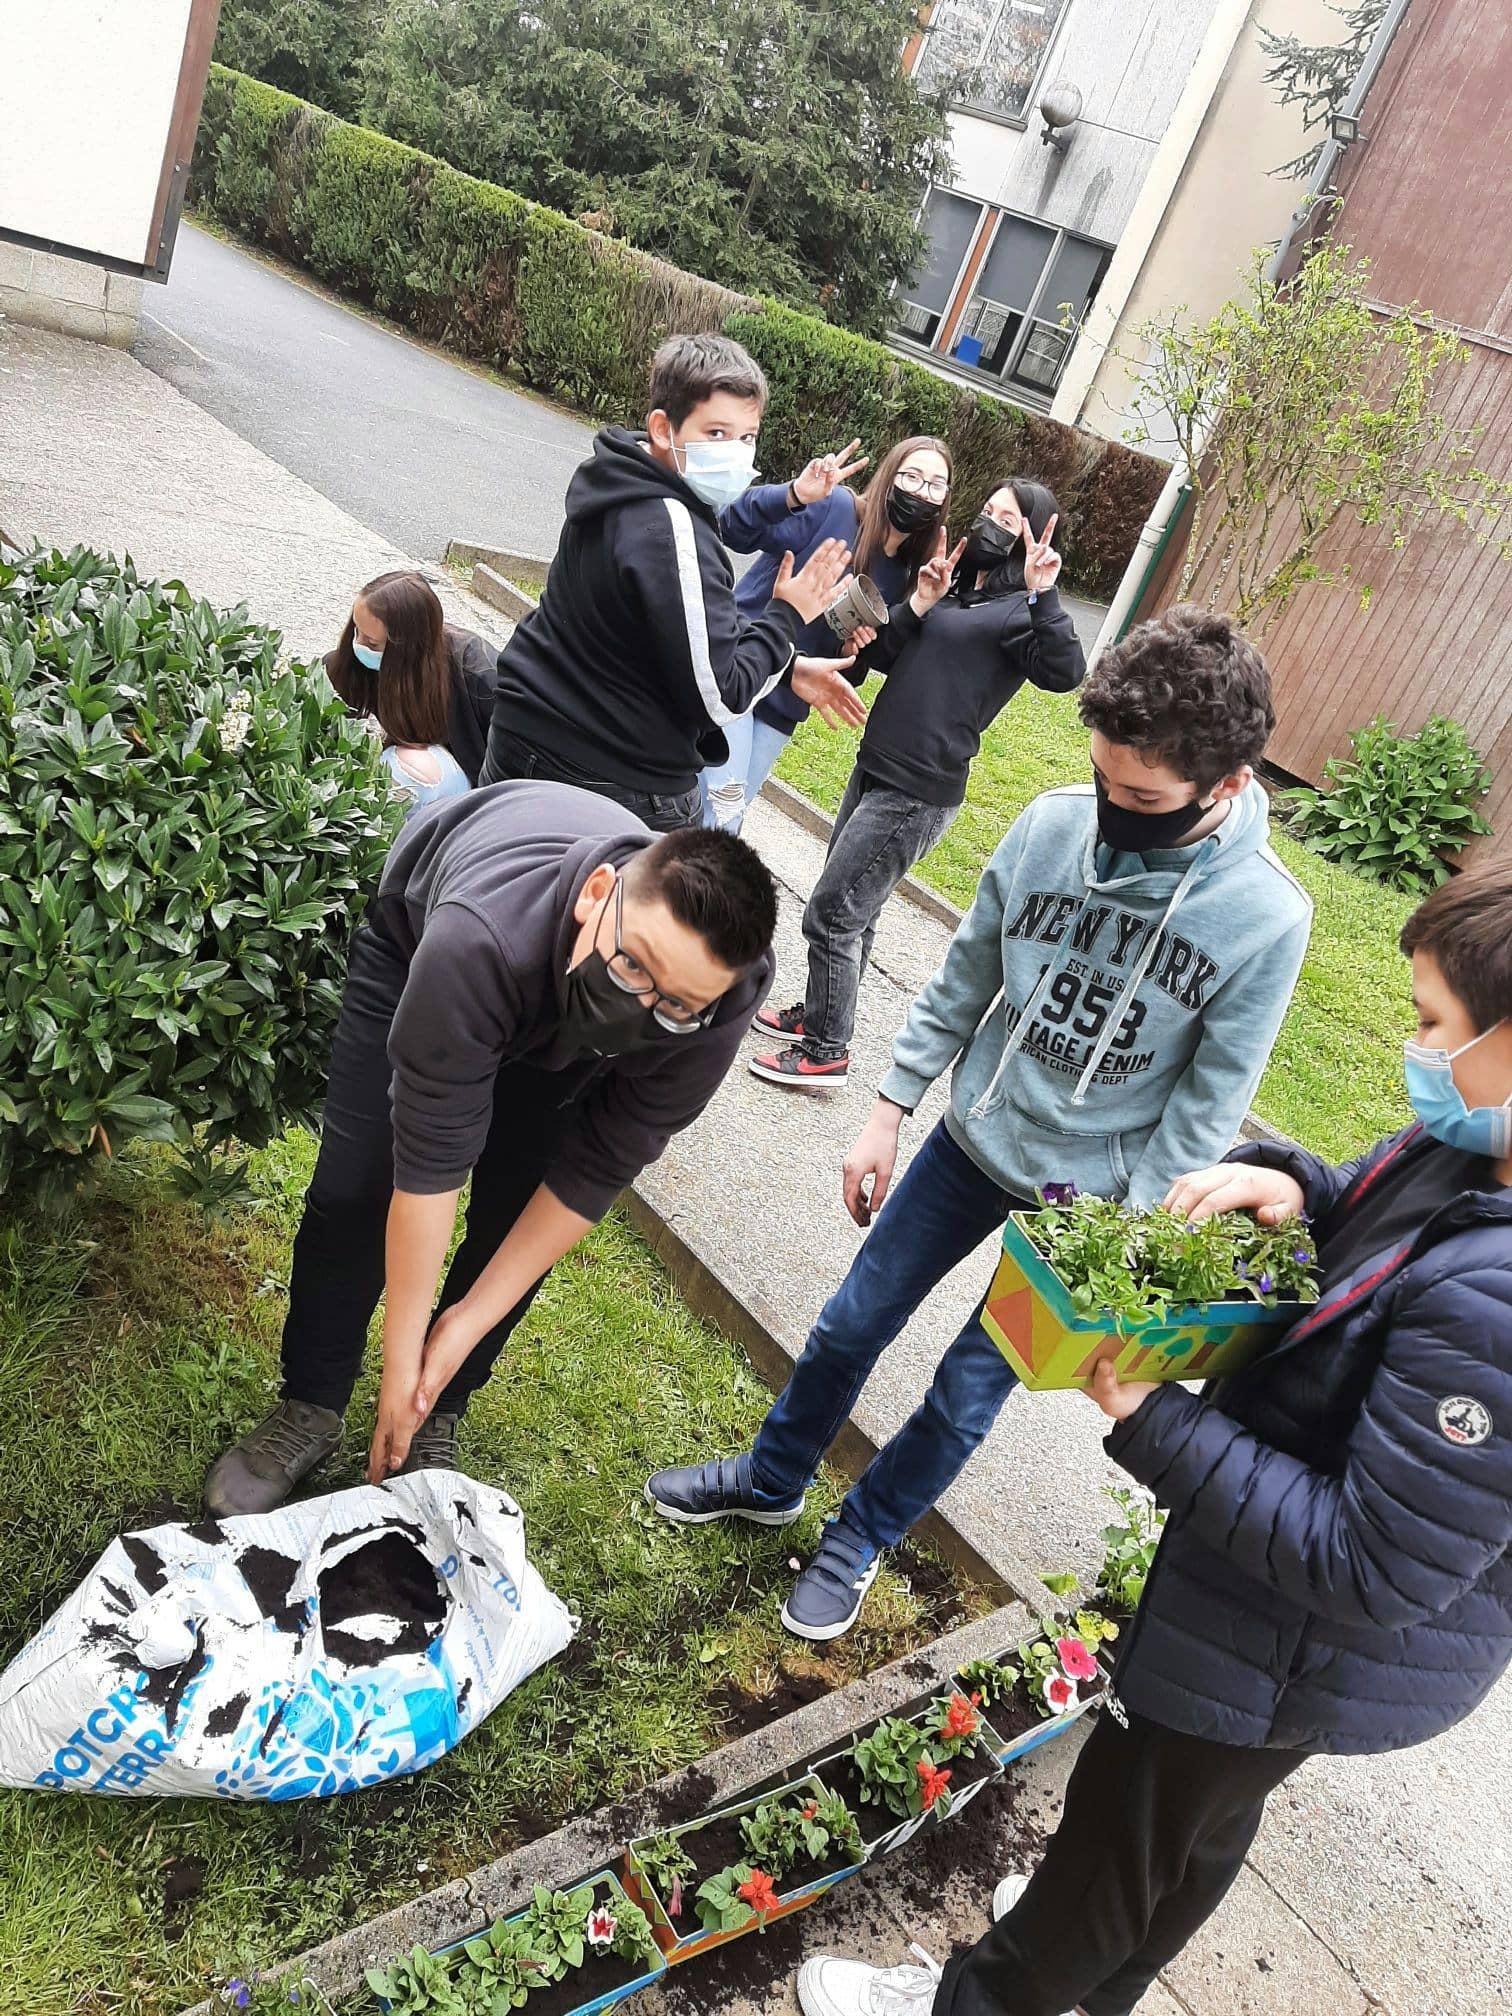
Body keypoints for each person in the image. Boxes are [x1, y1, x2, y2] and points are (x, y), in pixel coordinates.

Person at [793, 861, 1512, 2016]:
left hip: (1292, 1638)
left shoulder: (1498, 1304)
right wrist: (1296, 1188)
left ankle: (987, 1995)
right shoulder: (1478, 1150)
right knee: (1196, 1827)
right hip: (1277, 1632)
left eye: (1436, 1024)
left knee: (1115, 1842)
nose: (1415, 1048)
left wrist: (1154, 1416)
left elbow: (1372, 1565)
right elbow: (1380, 1230)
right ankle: (1101, 1984)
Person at [647, 606, 1313, 1641]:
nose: (1111, 812)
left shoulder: (1266, 915)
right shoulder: (1052, 824)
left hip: (1084, 1205)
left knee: (965, 1394)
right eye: (1102, 780)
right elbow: (969, 973)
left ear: (1225, 784)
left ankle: (859, 1538)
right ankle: (772, 1478)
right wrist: (890, 1104)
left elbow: (1208, 1102)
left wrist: (1122, 1244)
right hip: (973, 1141)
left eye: (1141, 799)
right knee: (851, 1322)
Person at [202, 781, 779, 1515]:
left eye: (672, 1005)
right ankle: (311, 1402)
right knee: (358, 1184)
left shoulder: (717, 1004)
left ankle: (439, 1409)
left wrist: (460, 1330)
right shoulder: (477, 940)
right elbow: (430, 1164)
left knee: (513, 1212)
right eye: (633, 964)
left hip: (554, 1010)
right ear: (596, 894)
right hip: (419, 948)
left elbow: (596, 1169)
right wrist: (399, 1361)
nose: (639, 1004)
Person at [748, 479, 1085, 1092]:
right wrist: (923, 601)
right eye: (987, 510)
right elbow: (883, 656)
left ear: (1031, 535)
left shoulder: (1020, 613)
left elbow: (1065, 673)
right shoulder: (954, 590)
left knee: (833, 911)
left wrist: (1045, 593)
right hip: (877, 764)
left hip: (919, 789)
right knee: (858, 910)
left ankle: (827, 1051)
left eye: (1007, 519)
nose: (989, 524)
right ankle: (822, 1015)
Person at [480, 333, 860, 832]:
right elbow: (720, 696)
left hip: (525, 731)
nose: (736, 453)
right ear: (663, 428)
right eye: (717, 433)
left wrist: (785, 666)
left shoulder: (619, 474)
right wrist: (787, 615)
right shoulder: (672, 530)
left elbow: (667, 630)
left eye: (747, 437)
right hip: (605, 773)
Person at [700, 435, 954, 834]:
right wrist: (795, 494)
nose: (922, 491)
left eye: (935, 484)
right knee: (722, 817)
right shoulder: (836, 508)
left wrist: (852, 648)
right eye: (912, 476)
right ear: (890, 476)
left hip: (784, 704)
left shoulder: (902, 576)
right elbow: (731, 527)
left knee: (720, 816)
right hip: (739, 670)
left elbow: (851, 669)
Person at [326, 570, 498, 819]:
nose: (358, 645)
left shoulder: (480, 677)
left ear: (408, 647)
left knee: (406, 769)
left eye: (372, 644)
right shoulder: (358, 658)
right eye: (356, 630)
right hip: (430, 764)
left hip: (471, 795)